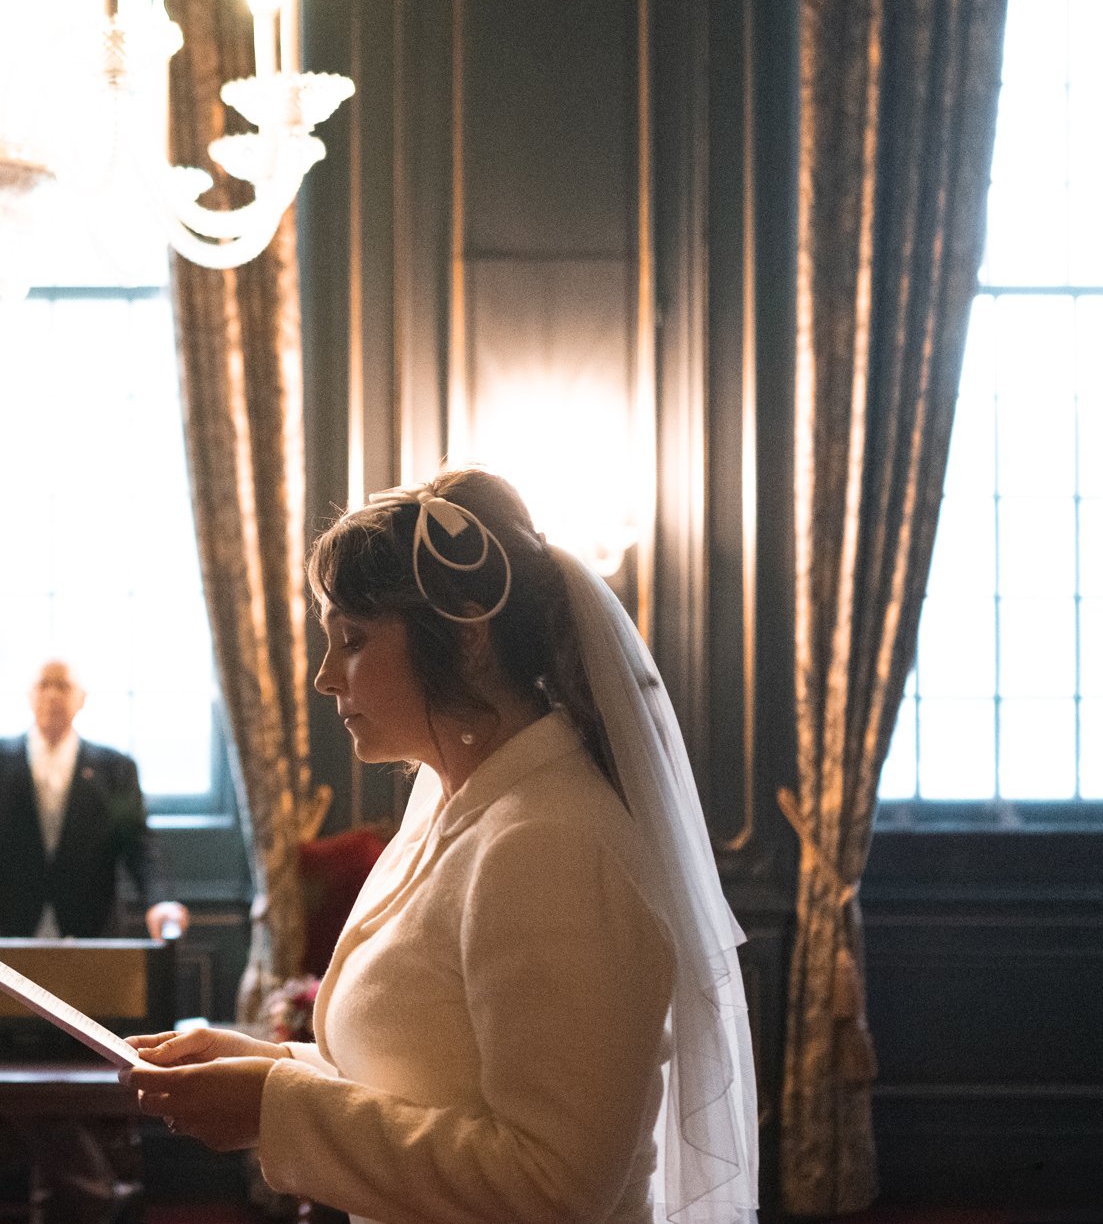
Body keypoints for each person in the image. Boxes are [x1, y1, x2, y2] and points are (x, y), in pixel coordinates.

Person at [123, 469, 760, 1224]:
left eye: (352, 639)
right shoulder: (456, 809)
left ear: (466, 635)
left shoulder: (551, 842)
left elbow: (554, 1185)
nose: (326, 676)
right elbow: (427, 1078)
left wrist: (272, 1110)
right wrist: (264, 1064)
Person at [0, 659, 188, 942]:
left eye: (63, 686)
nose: (53, 695)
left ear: (82, 699)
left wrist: (159, 900)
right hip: (8, 926)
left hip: (90, 928)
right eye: (43, 685)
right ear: (29, 696)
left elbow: (138, 843)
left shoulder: (115, 768)